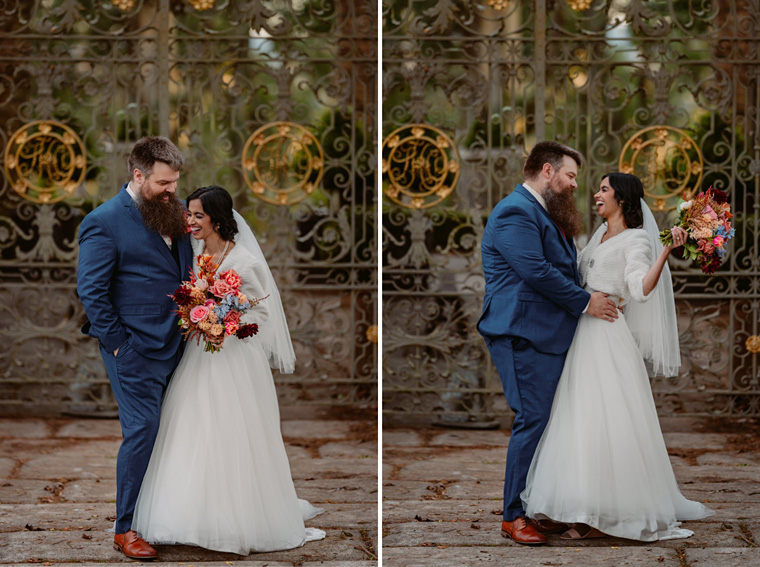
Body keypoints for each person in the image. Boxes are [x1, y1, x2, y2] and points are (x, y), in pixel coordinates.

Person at [131, 185, 326, 555]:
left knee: (235, 431)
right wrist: (197, 315)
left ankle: (240, 516)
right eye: (188, 214)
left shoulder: (246, 263)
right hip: (199, 356)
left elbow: (263, 312)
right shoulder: (193, 253)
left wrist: (225, 321)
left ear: (218, 219)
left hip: (236, 359)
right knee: (190, 425)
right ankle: (184, 515)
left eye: (197, 215)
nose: (189, 221)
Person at [521, 172, 714, 541]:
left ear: (622, 199)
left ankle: (610, 509)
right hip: (584, 336)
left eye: (604, 189)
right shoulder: (598, 235)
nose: (596, 194)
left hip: (608, 339)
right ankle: (580, 506)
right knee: (580, 419)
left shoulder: (637, 240)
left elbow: (640, 289)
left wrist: (665, 252)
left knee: (609, 421)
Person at [477, 141, 620, 546]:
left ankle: (540, 507)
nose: (576, 184)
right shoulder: (513, 212)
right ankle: (513, 517)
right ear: (546, 170)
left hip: (546, 333)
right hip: (522, 332)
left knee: (550, 424)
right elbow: (535, 271)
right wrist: (586, 301)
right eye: (570, 175)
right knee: (533, 419)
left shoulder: (544, 213)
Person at [77, 136, 193, 560]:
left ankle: (166, 517)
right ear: (138, 174)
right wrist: (120, 347)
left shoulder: (174, 214)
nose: (171, 190)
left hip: (180, 345)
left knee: (175, 431)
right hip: (134, 349)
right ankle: (124, 528)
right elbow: (91, 290)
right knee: (142, 430)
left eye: (175, 182)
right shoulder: (103, 221)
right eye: (163, 182)